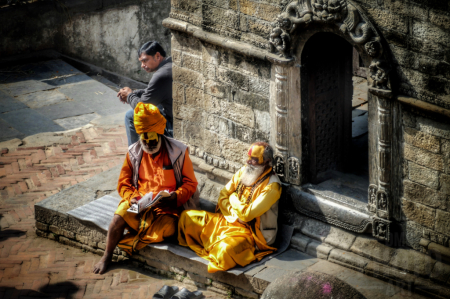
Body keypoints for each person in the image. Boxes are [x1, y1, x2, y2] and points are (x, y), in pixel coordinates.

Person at [93, 103, 198, 274]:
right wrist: (132, 197)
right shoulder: (134, 152)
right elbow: (123, 183)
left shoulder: (178, 151)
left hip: (167, 208)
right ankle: (107, 255)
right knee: (117, 220)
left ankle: (136, 232)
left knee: (169, 229)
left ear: (160, 134)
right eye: (144, 141)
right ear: (140, 137)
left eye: (152, 141)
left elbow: (191, 183)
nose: (148, 145)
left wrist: (175, 197)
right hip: (140, 203)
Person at [178, 142, 282, 273]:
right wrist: (234, 214)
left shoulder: (272, 187)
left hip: (251, 235)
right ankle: (213, 244)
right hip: (229, 220)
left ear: (266, 162)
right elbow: (222, 195)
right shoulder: (245, 170)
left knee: (224, 250)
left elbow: (247, 215)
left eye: (254, 159)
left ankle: (214, 245)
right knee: (187, 218)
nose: (248, 161)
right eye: (248, 157)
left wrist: (232, 197)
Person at [117, 41, 174, 146]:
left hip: (173, 126)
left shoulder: (161, 75)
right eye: (141, 62)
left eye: (145, 61)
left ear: (157, 56)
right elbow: (154, 92)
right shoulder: (169, 64)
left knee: (130, 116)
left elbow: (142, 107)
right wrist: (135, 93)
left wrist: (130, 95)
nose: (142, 65)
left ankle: (135, 158)